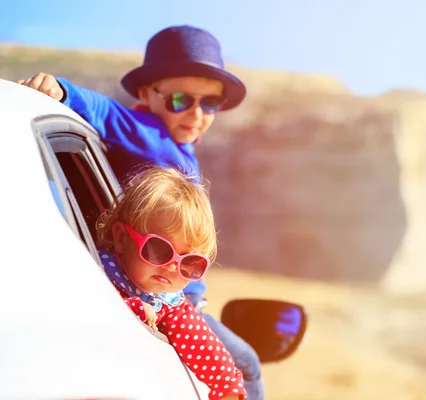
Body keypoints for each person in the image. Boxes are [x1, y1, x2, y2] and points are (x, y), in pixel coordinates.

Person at [18, 25, 264, 400]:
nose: (196, 114)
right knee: (246, 362)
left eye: (209, 103)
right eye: (181, 100)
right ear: (149, 94)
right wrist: (63, 91)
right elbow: (106, 112)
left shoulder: (184, 149)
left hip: (172, 284)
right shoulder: (147, 131)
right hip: (173, 299)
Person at [95, 166, 245, 400]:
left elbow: (210, 356)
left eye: (190, 262)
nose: (172, 266)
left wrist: (228, 389)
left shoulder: (170, 303)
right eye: (159, 249)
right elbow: (83, 299)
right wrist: (129, 307)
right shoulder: (95, 270)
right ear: (121, 238)